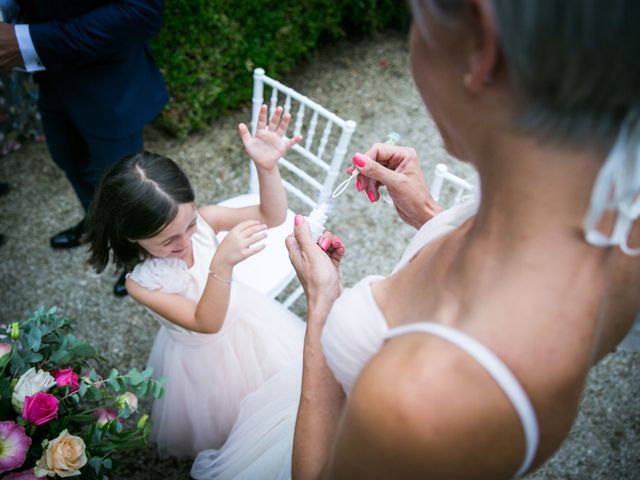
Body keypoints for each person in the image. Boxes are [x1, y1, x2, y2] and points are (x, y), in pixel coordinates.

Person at [285, 0, 640, 478]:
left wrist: (323, 305)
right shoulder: (623, 222)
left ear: (482, 46)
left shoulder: (421, 398)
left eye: (417, 21)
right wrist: (433, 218)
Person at [85, 105, 306, 476]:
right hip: (205, 361)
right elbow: (206, 322)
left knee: (281, 397)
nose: (186, 241)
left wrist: (267, 169)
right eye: (168, 240)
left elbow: (272, 217)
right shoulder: (142, 284)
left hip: (252, 323)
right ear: (131, 237)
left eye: (188, 225)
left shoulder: (203, 222)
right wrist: (221, 264)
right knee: (232, 422)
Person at [0, 0, 168, 296]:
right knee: (68, 159)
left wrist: (26, 40)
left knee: (123, 185)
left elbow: (142, 11)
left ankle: (138, 256)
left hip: (110, 84)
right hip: (54, 76)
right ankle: (97, 224)